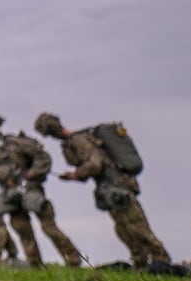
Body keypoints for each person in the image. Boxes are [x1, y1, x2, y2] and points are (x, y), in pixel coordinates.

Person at [33, 112, 168, 268]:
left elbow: (95, 165)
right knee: (123, 228)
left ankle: (162, 260)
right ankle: (141, 262)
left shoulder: (78, 140)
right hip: (110, 188)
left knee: (136, 225)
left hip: (117, 186)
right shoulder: (77, 139)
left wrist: (76, 174)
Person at [0, 110, 82, 267]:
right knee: (22, 230)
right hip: (10, 195)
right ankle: (35, 266)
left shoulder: (13, 142)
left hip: (31, 190)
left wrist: (31, 174)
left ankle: (73, 260)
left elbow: (43, 157)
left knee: (49, 228)